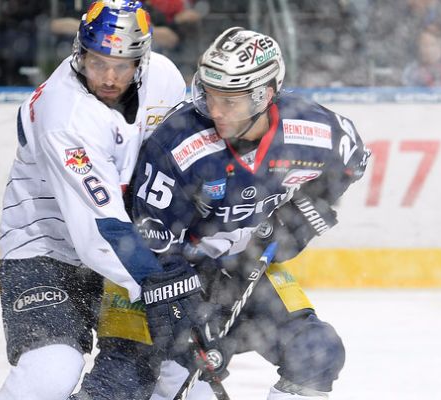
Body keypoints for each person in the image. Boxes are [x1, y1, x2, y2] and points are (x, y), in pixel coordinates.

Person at [84, 27, 368, 399]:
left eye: (230, 101)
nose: (215, 110)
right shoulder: (179, 143)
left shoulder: (312, 129)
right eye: (209, 95)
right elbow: (147, 243)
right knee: (122, 385)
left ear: (264, 95)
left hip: (240, 267)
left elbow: (351, 161)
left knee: (316, 351)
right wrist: (184, 316)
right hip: (158, 276)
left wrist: (303, 214)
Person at [0, 1, 190, 399]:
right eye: (97, 62)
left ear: (142, 60)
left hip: (131, 250)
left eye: (123, 64)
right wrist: (162, 287)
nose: (110, 77)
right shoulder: (65, 116)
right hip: (46, 248)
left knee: (174, 370)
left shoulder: (165, 79)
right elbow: (99, 231)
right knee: (51, 373)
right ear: (79, 52)